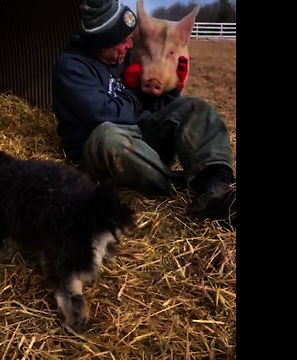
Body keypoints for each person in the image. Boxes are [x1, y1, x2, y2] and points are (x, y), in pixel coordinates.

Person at [51, 0, 236, 226]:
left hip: (137, 135)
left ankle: (217, 187)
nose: (130, 46)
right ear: (102, 43)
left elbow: (151, 110)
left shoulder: (122, 58)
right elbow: (107, 115)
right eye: (123, 41)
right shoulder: (73, 67)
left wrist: (171, 89)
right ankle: (180, 187)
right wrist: (136, 93)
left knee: (195, 106)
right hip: (97, 151)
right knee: (107, 135)